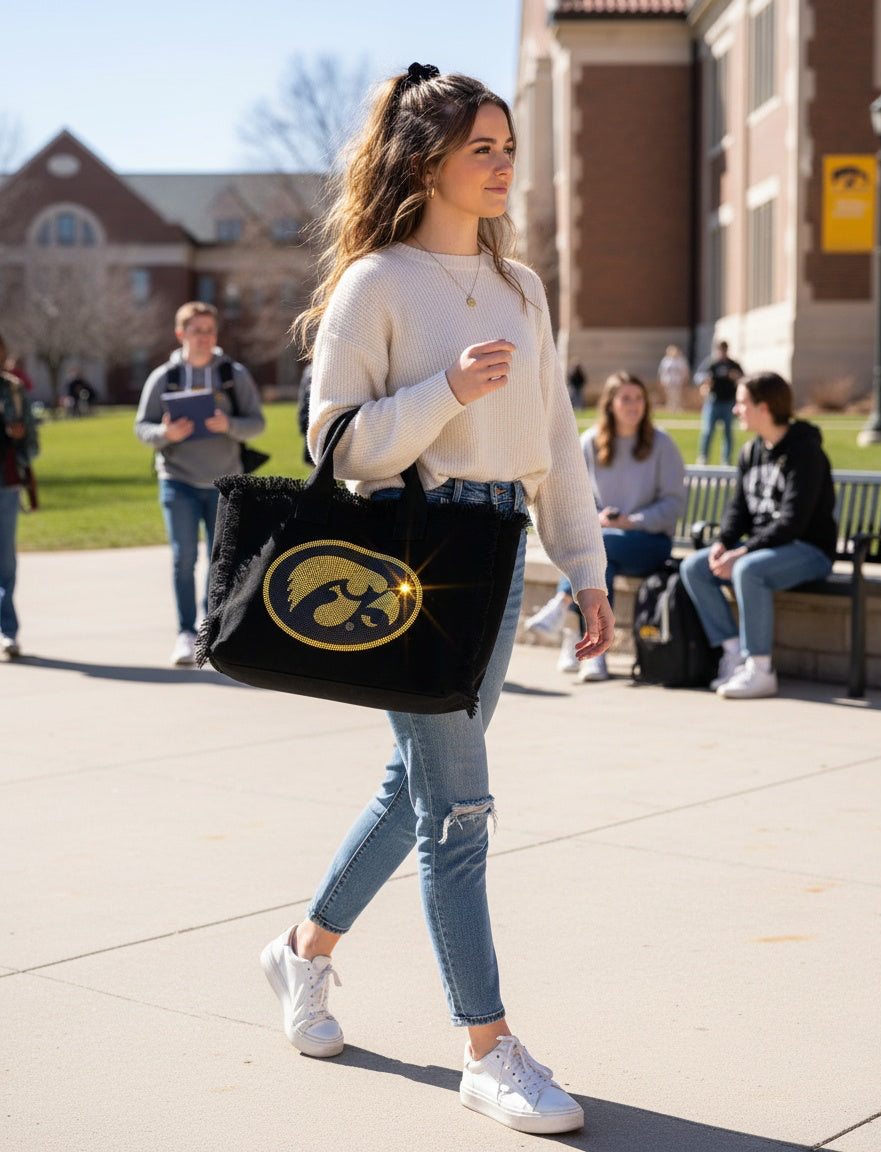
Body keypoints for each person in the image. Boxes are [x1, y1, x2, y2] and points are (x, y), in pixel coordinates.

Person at [260, 64, 613, 1135]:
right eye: (483, 149)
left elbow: (553, 440)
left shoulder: (523, 288)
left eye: (508, 147)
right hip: (408, 565)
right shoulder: (375, 283)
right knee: (456, 811)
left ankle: (299, 954)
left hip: (501, 553)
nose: (504, 165)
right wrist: (443, 392)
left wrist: (587, 571)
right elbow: (331, 443)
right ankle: (486, 1048)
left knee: (414, 789)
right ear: (425, 161)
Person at [679, 372, 836, 699]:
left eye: (741, 403)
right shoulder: (751, 452)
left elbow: (793, 523)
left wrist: (742, 553)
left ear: (763, 408)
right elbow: (739, 509)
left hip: (808, 550)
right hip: (766, 549)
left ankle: (761, 669)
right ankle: (733, 653)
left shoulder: (806, 453)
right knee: (694, 567)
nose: (735, 410)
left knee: (749, 570)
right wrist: (723, 543)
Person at [524, 371, 685, 682]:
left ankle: (564, 609)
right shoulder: (589, 443)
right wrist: (597, 518)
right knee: (600, 559)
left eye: (638, 398)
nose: (633, 405)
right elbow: (574, 496)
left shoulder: (662, 445)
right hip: (604, 540)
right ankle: (592, 655)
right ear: (610, 404)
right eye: (626, 398)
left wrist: (632, 521)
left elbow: (673, 505)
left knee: (596, 549)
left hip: (649, 543)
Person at [135, 302, 265, 666]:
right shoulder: (165, 377)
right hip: (177, 480)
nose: (205, 337)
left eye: (210, 330)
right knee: (183, 558)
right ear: (181, 334)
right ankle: (184, 633)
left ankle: (208, 630)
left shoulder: (232, 374)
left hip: (224, 483)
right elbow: (141, 428)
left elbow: (257, 423)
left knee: (218, 561)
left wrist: (230, 426)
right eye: (197, 330)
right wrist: (165, 432)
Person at [0, 331, 40, 659]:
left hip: (6, 485)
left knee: (5, 562)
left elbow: (33, 445)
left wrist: (20, 439)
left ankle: (7, 632)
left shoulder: (14, 391)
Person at [693, 339, 743, 464]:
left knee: (728, 433)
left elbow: (744, 378)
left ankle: (726, 459)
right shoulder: (711, 364)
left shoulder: (733, 365)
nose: (722, 353)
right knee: (708, 431)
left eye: (724, 350)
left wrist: (736, 376)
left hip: (728, 402)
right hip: (713, 401)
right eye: (720, 350)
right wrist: (706, 379)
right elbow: (697, 377)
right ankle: (703, 457)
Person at [657, 343, 689, 412]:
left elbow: (685, 371)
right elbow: (662, 371)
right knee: (669, 395)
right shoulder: (666, 360)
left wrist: (685, 379)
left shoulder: (681, 360)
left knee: (677, 395)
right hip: (668, 381)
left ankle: (677, 407)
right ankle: (670, 407)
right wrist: (662, 379)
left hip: (678, 381)